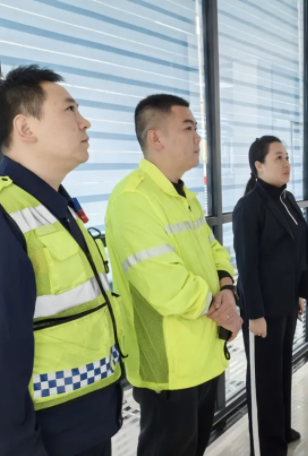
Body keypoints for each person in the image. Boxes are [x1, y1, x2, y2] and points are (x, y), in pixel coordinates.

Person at [0, 66, 123, 456]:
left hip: (89, 422)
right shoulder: (3, 214)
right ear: (25, 127)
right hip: (47, 438)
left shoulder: (56, 206)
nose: (85, 122)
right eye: (69, 110)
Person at [105, 94, 241, 456]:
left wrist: (228, 289)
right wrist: (225, 311)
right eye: (188, 128)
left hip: (204, 356)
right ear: (156, 138)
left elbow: (215, 251)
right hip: (169, 369)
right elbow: (167, 286)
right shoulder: (133, 198)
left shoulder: (184, 197)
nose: (198, 138)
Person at [233, 136, 308, 456]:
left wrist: (300, 293)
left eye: (287, 156)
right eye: (278, 157)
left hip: (286, 303)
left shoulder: (287, 199)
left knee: (280, 372)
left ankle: (280, 429)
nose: (286, 163)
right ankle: (266, 446)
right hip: (262, 310)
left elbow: (298, 249)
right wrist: (254, 314)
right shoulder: (249, 207)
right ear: (259, 165)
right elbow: (247, 265)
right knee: (263, 380)